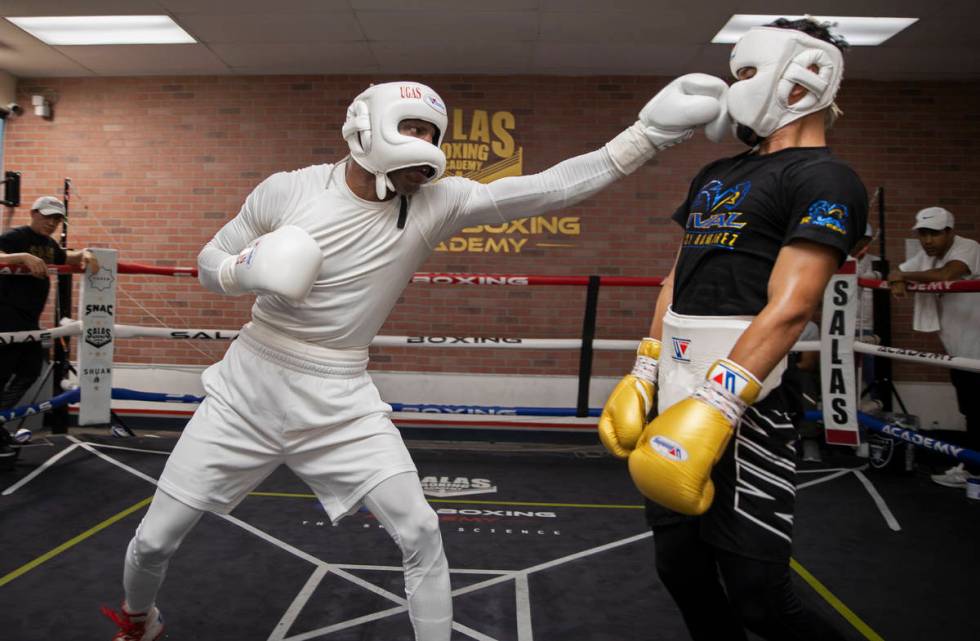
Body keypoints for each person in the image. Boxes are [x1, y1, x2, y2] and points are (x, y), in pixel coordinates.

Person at [101, 77, 731, 641]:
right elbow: (211, 260)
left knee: (421, 531)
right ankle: (140, 622)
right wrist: (243, 271)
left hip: (340, 395)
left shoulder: (435, 202)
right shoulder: (287, 190)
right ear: (365, 129)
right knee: (155, 539)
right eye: (413, 129)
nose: (425, 146)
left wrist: (646, 136)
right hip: (247, 388)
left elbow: (547, 188)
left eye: (434, 133)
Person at [598, 18, 865, 640]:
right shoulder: (716, 174)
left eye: (745, 73)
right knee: (681, 570)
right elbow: (677, 277)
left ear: (803, 79)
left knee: (760, 600)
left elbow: (793, 303)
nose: (734, 89)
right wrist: (645, 366)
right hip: (673, 388)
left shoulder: (824, 179)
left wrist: (718, 401)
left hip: (748, 405)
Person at [0, 196, 97, 469]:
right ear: (33, 213)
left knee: (31, 370)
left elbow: (66, 256)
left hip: (28, 321)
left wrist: (86, 254)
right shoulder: (17, 237)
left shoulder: (49, 244)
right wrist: (21, 257)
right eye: (47, 216)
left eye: (56, 219)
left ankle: (0, 422)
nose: (51, 223)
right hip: (4, 319)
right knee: (1, 375)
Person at [888, 206, 980, 487]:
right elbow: (898, 271)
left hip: (976, 350)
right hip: (960, 350)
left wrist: (904, 278)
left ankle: (973, 470)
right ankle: (972, 469)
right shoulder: (928, 256)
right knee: (972, 411)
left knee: (977, 411)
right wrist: (898, 277)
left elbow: (947, 275)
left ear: (950, 232)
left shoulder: (968, 247)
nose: (928, 240)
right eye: (923, 234)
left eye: (935, 234)